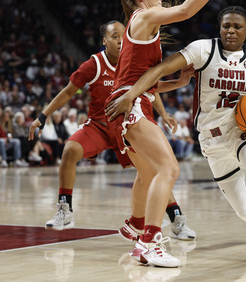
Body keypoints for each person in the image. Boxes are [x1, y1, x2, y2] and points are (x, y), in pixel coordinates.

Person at [106, 6, 246, 267]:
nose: (231, 30)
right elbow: (160, 69)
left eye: (237, 27)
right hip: (212, 139)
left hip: (244, 131)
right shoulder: (202, 50)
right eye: (226, 26)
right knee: (244, 211)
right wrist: (130, 94)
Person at [104, 0, 246, 268]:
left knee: (150, 172)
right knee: (170, 170)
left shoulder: (141, 24)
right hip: (130, 104)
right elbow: (184, 10)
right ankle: (150, 242)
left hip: (127, 101)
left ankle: (135, 225)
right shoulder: (145, 16)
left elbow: (142, 80)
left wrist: (176, 82)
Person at [29, 21, 196, 242]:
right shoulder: (95, 64)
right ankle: (65, 210)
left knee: (154, 171)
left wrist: (166, 108)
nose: (120, 40)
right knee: (70, 150)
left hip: (128, 129)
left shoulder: (132, 63)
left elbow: (150, 87)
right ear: (104, 41)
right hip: (99, 127)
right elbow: (69, 91)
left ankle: (176, 220)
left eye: (123, 36)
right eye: (115, 36)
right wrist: (43, 115)